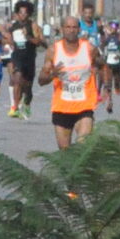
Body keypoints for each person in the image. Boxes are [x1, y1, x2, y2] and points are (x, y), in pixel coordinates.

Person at [46, 14, 105, 149]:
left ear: (79, 29)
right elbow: (41, 80)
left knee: (82, 150)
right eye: (68, 27)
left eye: (74, 27)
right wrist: (52, 74)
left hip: (84, 107)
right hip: (62, 107)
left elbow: (102, 65)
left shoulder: (89, 49)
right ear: (62, 29)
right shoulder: (53, 50)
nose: (71, 30)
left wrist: (106, 86)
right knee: (65, 154)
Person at [7, 0, 40, 117]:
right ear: (17, 14)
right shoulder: (12, 26)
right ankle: (15, 106)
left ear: (29, 14)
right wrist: (7, 44)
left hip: (29, 58)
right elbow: (8, 39)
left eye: (25, 13)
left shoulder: (33, 25)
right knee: (17, 79)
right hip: (17, 57)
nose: (23, 15)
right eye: (20, 13)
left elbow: (38, 41)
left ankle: (26, 104)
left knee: (28, 88)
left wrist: (27, 36)